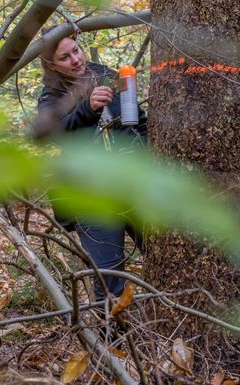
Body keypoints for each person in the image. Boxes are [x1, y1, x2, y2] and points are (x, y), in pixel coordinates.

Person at [35, 35, 147, 300]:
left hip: (135, 187)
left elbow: (138, 122)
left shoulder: (107, 76)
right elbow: (50, 134)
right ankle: (112, 339)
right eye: (64, 57)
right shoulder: (52, 96)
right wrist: (87, 107)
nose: (75, 60)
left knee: (168, 256)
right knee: (110, 281)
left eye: (76, 50)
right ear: (51, 65)